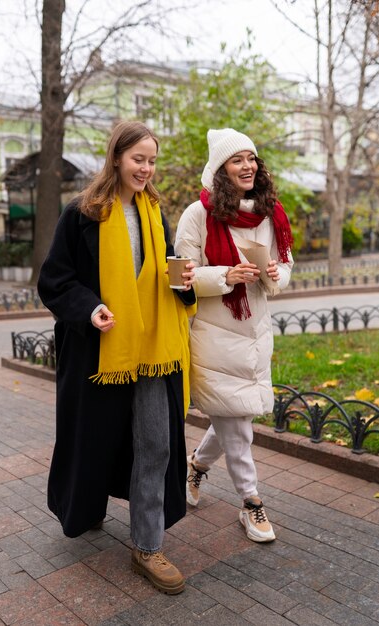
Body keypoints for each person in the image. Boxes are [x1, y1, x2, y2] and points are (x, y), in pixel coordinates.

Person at [37, 120, 195, 594]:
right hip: (100, 353)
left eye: (151, 160)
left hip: (150, 351)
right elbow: (55, 281)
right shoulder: (81, 214)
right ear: (117, 159)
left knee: (155, 443)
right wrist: (91, 308)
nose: (146, 168)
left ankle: (147, 545)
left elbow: (163, 272)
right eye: (137, 159)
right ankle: (85, 510)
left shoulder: (153, 213)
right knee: (94, 442)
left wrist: (182, 284)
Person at [175, 128, 293, 543]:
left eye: (252, 158)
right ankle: (251, 503)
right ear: (221, 168)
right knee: (238, 425)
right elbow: (179, 275)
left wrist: (276, 274)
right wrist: (226, 274)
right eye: (237, 160)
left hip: (256, 330)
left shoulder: (270, 211)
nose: (248, 166)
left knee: (233, 413)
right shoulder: (198, 213)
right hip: (213, 333)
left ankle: (195, 468)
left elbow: (285, 259)